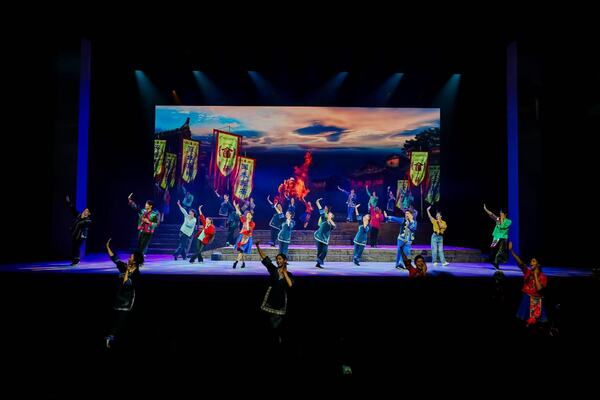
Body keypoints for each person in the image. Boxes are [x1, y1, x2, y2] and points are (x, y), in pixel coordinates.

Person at [104, 238, 144, 349]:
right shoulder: (124, 267)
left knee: (120, 321)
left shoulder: (136, 274)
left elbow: (126, 284)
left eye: (131, 257)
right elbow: (115, 259)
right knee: (113, 318)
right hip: (118, 296)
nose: (129, 258)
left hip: (126, 300)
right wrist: (107, 247)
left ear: (135, 261)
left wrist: (127, 271)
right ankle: (110, 337)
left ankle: (112, 338)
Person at [255, 240, 294, 345]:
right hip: (271, 296)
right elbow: (264, 258)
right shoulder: (273, 269)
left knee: (279, 319)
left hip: (280, 298)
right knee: (268, 317)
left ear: (285, 260)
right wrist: (258, 246)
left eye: (280, 259)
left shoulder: (289, 274)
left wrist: (285, 273)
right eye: (277, 259)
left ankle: (278, 337)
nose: (278, 261)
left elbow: (290, 285)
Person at [508, 241, 548, 327]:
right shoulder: (528, 272)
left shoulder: (543, 277)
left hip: (537, 302)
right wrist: (512, 251)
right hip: (527, 299)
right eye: (531, 261)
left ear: (538, 264)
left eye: (533, 261)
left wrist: (536, 276)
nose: (531, 263)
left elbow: (539, 289)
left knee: (537, 324)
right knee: (525, 322)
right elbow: (521, 263)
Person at [65, 195, 92, 266]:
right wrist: (69, 202)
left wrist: (74, 226)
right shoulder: (79, 216)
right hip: (75, 234)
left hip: (81, 236)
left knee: (76, 247)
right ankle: (75, 260)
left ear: (88, 213)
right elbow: (73, 211)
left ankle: (76, 260)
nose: (85, 211)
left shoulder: (88, 220)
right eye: (85, 210)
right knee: (74, 247)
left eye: (87, 211)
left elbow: (81, 224)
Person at [484, 204, 512, 270]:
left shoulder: (509, 221)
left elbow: (502, 226)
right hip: (496, 237)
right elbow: (492, 215)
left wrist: (501, 220)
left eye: (502, 213)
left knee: (501, 251)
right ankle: (493, 261)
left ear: (505, 214)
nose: (500, 214)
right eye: (500, 213)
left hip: (503, 238)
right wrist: (486, 210)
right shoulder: (498, 219)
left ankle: (496, 262)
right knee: (492, 249)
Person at [233, 201, 255, 269]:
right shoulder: (244, 220)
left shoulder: (252, 223)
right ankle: (243, 263)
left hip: (247, 239)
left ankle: (236, 262)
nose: (248, 215)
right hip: (241, 237)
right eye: (247, 214)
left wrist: (247, 222)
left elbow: (248, 230)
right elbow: (239, 213)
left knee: (241, 250)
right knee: (241, 251)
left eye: (249, 215)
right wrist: (236, 207)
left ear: (251, 216)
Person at [314, 204, 336, 269]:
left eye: (331, 215)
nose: (329, 214)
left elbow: (334, 226)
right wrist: (317, 203)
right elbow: (321, 210)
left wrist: (330, 219)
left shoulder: (331, 224)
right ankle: (318, 264)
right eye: (329, 214)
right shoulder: (324, 218)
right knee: (319, 251)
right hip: (319, 237)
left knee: (325, 251)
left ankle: (319, 260)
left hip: (325, 239)